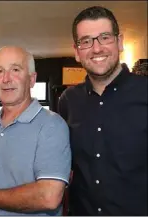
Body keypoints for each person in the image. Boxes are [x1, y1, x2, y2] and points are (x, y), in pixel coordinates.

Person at [0, 46, 72, 216]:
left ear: (32, 79)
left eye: (15, 70)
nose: (6, 79)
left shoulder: (52, 126)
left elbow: (49, 196)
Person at [58, 6, 147, 215]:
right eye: (86, 41)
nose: (96, 49)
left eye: (105, 37)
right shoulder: (68, 101)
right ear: (77, 51)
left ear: (120, 42)